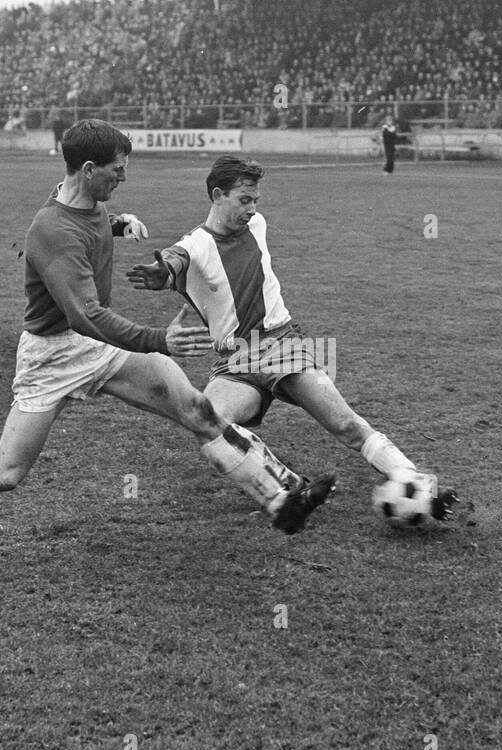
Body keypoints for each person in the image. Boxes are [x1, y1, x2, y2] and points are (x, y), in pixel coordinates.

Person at [0, 122, 334, 552]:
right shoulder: (52, 231)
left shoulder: (83, 200)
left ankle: (283, 497)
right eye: (116, 170)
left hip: (103, 350)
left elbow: (85, 231)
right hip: (53, 356)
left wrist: (115, 223)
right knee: (5, 473)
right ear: (88, 170)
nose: (123, 178)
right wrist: (158, 340)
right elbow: (86, 315)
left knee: (197, 410)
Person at [126, 156, 457, 521]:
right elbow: (177, 257)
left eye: (255, 201)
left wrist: (169, 268)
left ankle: (416, 483)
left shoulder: (257, 224)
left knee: (345, 424)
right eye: (243, 200)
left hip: (282, 344)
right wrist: (163, 271)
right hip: (234, 362)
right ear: (217, 195)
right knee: (211, 426)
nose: (252, 209)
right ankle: (288, 489)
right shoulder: (197, 244)